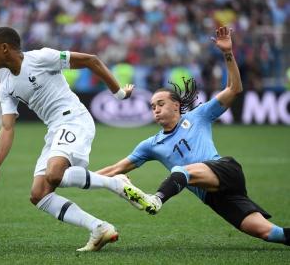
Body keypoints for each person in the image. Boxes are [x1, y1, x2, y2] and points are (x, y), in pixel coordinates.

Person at [97, 26, 290, 247]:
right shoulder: (151, 145)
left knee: (180, 170)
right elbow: (114, 170)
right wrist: (77, 178)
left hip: (224, 170)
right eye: (152, 107)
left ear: (177, 106)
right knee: (269, 233)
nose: (156, 110)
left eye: (161, 104)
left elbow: (234, 89)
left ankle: (156, 200)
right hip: (213, 197)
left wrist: (228, 53)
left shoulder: (198, 116)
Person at [0, 27, 158, 252]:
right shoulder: (6, 86)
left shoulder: (41, 58)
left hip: (74, 119)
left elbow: (91, 60)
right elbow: (7, 128)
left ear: (4, 48)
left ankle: (116, 183)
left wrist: (119, 94)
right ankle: (99, 227)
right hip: (54, 129)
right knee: (39, 194)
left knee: (54, 174)